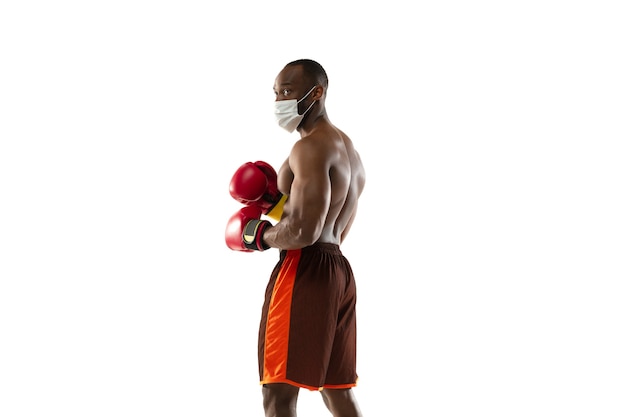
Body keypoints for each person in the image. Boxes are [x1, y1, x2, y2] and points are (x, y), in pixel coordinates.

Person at [225, 58, 366, 417]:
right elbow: (331, 226)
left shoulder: (309, 148)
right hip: (338, 272)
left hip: (303, 269)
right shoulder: (350, 152)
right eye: (276, 93)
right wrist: (274, 204)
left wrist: (258, 235)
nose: (279, 101)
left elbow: (304, 230)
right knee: (337, 392)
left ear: (316, 93)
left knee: (278, 393)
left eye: (287, 92)